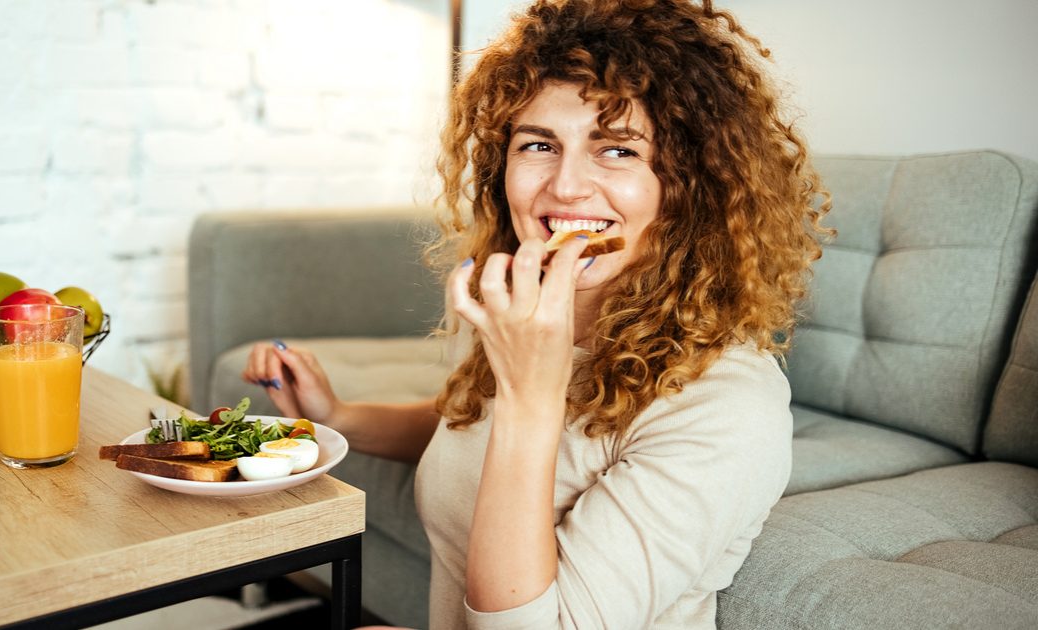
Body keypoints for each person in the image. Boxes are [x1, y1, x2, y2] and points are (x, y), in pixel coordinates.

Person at [243, 0, 830, 627]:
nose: (566, 187)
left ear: (692, 185)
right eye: (539, 144)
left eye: (618, 150)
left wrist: (532, 391)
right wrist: (340, 418)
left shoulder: (727, 407)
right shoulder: (525, 305)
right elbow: (471, 429)